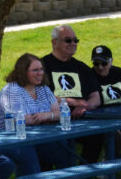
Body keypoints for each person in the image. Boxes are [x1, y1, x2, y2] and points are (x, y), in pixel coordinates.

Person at [0, 53, 72, 179]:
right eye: (35, 70)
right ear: (23, 72)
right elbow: (20, 119)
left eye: (41, 69)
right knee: (28, 152)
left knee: (64, 148)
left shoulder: (43, 89)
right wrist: (45, 115)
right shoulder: (12, 90)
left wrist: (46, 116)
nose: (40, 73)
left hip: (35, 136)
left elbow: (60, 113)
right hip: (7, 140)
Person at [41, 24, 103, 163]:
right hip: (52, 121)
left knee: (98, 135)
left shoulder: (82, 68)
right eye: (68, 40)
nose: (73, 43)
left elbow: (96, 97)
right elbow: (42, 97)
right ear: (54, 42)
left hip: (81, 120)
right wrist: (74, 102)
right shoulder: (42, 66)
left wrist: (86, 106)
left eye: (76, 40)